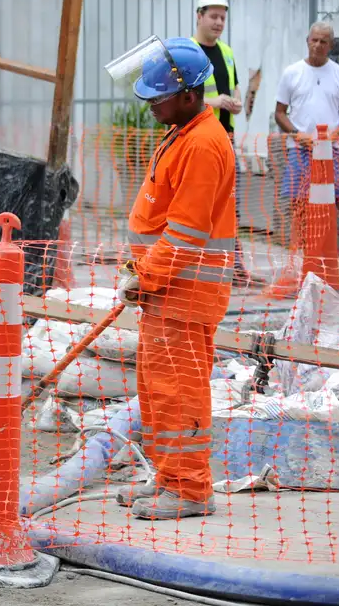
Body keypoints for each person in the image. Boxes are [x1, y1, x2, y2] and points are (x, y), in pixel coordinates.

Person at [109, 36, 234, 520]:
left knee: (178, 390)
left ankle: (188, 489)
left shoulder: (203, 143)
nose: (150, 106)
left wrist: (146, 275)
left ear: (189, 94)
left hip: (184, 291)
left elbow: (185, 230)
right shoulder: (183, 132)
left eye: (158, 97)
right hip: (167, 290)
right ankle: (168, 476)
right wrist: (141, 273)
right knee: (158, 388)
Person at [192, 0, 258, 287]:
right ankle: (200, 260)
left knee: (229, 201)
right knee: (201, 201)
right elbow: (181, 99)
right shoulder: (189, 52)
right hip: (199, 138)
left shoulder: (227, 52)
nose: (218, 23)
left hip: (225, 137)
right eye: (213, 16)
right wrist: (215, 102)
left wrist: (236, 101)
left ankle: (231, 261)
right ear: (199, 17)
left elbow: (234, 88)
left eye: (222, 18)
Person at [273, 21, 339, 256]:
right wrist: (298, 135)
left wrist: (334, 137)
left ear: (331, 45)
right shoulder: (292, 73)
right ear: (307, 41)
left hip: (333, 151)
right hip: (300, 149)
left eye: (323, 42)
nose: (317, 45)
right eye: (314, 40)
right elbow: (279, 112)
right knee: (298, 208)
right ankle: (299, 262)